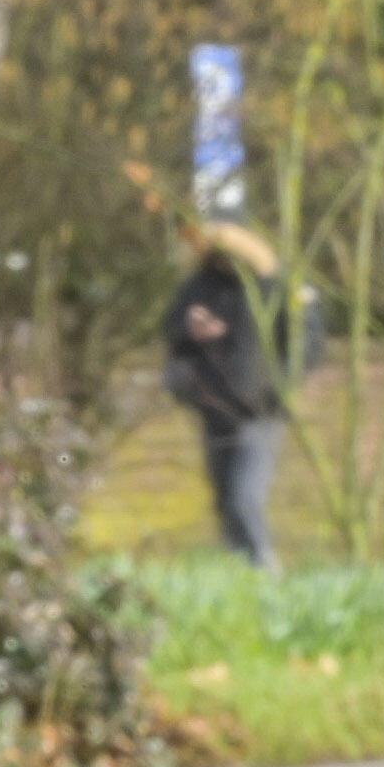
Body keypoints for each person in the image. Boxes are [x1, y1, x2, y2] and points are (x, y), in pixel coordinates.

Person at [161, 220, 287, 566]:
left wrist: (277, 392)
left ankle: (265, 570)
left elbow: (302, 345)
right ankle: (242, 572)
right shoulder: (197, 289)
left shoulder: (268, 291)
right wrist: (193, 331)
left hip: (259, 413)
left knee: (246, 499)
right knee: (225, 502)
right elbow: (175, 339)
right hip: (214, 412)